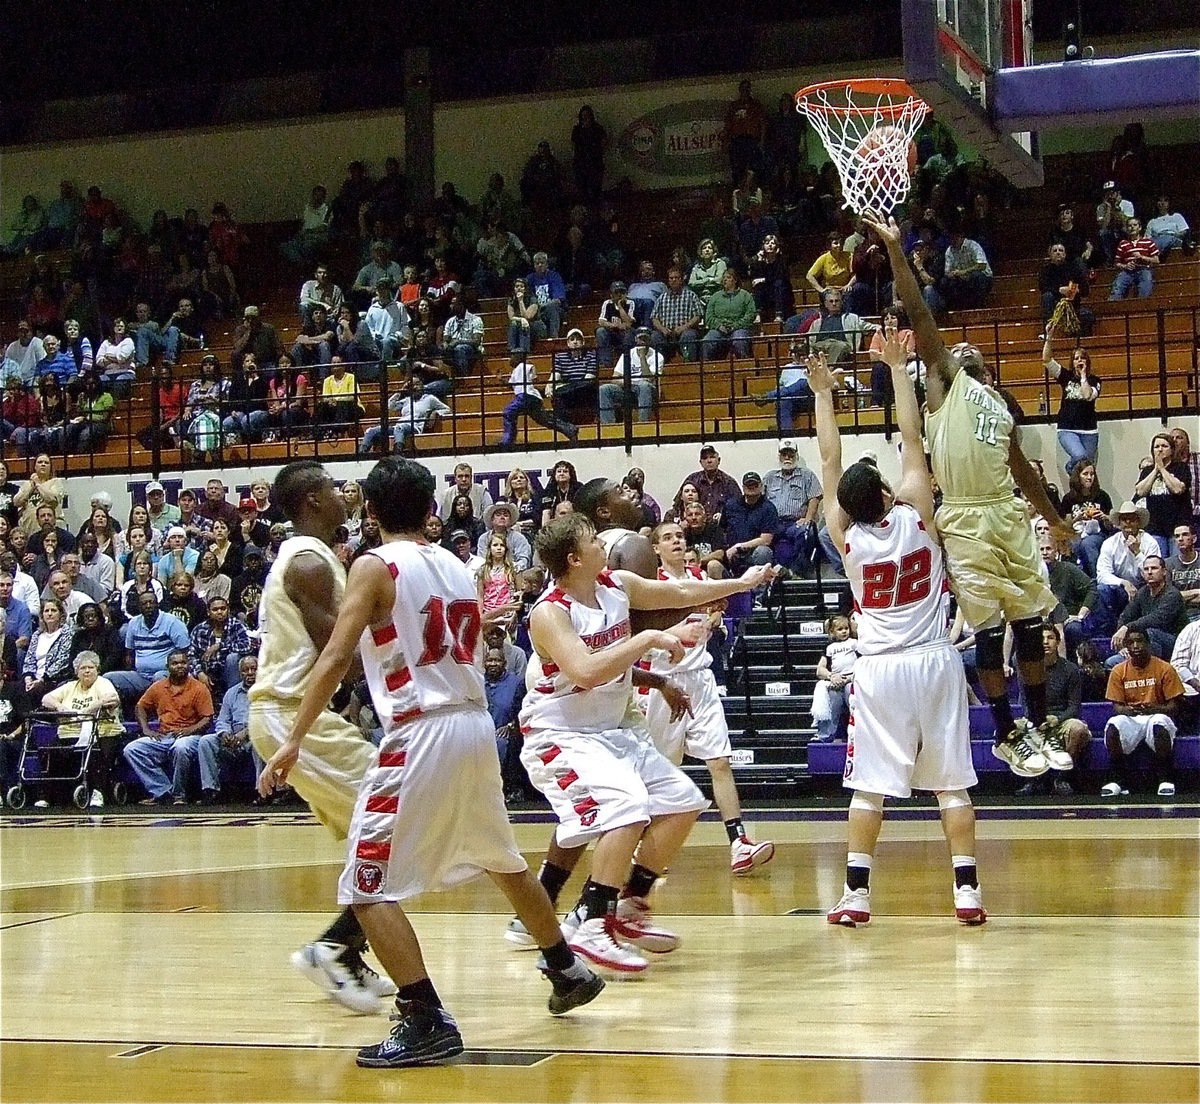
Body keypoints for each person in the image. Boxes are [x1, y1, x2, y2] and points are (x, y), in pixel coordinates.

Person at [260, 458, 606, 1067]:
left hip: (419, 728)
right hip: (473, 723)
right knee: (502, 859)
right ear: (430, 511)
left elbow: (336, 656)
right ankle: (565, 967)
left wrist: (294, 738)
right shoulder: (454, 565)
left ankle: (424, 1018)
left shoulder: (373, 565)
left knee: (364, 886)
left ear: (370, 511)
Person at [519, 510, 775, 969]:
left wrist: (741, 583)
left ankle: (629, 906)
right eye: (593, 540)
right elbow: (587, 671)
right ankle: (591, 923)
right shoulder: (550, 612)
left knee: (682, 800)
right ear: (574, 559)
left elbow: (682, 592)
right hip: (560, 735)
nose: (604, 545)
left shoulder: (616, 585)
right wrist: (651, 638)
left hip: (610, 731)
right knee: (626, 809)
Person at [868, 209, 1072, 779]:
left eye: (966, 350)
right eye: (952, 351)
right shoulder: (944, 386)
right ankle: (1006, 733)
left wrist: (1055, 519)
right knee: (988, 630)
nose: (959, 350)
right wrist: (897, 252)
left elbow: (1023, 471)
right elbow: (920, 312)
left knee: (1029, 624)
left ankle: (1040, 724)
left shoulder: (999, 407)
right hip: (965, 516)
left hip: (1009, 512)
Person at [808, 335, 988, 927]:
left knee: (869, 787)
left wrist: (823, 396)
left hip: (880, 668)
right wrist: (895, 367)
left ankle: (857, 895)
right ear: (886, 493)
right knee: (951, 785)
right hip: (934, 659)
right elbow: (912, 437)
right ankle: (967, 891)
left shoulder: (846, 539)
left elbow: (828, 462)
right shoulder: (916, 511)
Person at [649, 520, 774, 873]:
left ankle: (739, 843)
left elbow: (716, 606)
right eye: (668, 538)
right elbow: (642, 632)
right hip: (663, 682)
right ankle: (645, 845)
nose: (676, 541)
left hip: (701, 679)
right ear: (656, 548)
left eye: (679, 536)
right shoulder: (651, 585)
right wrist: (679, 631)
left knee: (719, 761)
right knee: (661, 769)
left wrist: (714, 617)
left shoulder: (698, 577)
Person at [123, 649, 214, 805]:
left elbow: (208, 718)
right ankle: (163, 791)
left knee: (180, 747)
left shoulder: (199, 688)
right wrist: (146, 729)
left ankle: (179, 795)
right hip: (164, 735)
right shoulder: (158, 686)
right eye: (175, 663)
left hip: (191, 737)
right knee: (131, 749)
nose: (179, 666)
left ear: (189, 665)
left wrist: (189, 730)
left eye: (183, 662)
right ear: (167, 667)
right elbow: (140, 707)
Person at [1102, 628, 1185, 799]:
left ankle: (1165, 779)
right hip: (1132, 717)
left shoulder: (1165, 668)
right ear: (1126, 647)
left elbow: (1174, 707)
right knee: (1113, 725)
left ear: (1148, 644)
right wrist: (1127, 710)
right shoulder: (1118, 671)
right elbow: (1117, 707)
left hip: (1157, 713)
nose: (1136, 646)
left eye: (1140, 641)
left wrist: (1152, 709)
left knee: (1159, 722)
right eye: (1131, 642)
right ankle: (1117, 780)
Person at [41, 649, 124, 809]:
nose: (87, 671)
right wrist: (60, 707)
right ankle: (48, 796)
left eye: (90, 668)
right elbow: (46, 699)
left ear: (97, 670)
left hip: (102, 732)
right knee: (50, 751)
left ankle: (98, 792)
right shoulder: (70, 686)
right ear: (76, 672)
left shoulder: (103, 683)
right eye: (83, 668)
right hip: (70, 732)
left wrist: (88, 710)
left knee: (97, 753)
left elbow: (112, 698)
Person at [193, 654, 263, 804]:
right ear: (240, 673)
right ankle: (211, 790)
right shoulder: (231, 693)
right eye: (245, 670)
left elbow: (267, 720)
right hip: (233, 737)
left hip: (256, 736)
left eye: (253, 669)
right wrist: (225, 733)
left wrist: (245, 733)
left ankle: (262, 792)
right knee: (206, 741)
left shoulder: (266, 692)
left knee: (261, 743)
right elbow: (223, 719)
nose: (250, 673)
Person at [1133, 433, 1192, 558]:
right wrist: (1156, 469)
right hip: (1155, 528)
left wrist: (1162, 469)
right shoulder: (1147, 471)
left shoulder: (1181, 468)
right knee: (1157, 563)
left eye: (1164, 446)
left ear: (1172, 450)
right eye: (1157, 447)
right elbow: (1140, 491)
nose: (1160, 449)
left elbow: (1177, 489)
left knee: (1176, 562)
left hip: (1177, 527)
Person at [810, 613, 858, 743]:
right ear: (832, 632)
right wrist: (831, 676)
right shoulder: (829, 648)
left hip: (852, 678)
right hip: (836, 681)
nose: (844, 631)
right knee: (832, 695)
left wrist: (848, 679)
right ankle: (825, 735)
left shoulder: (854, 643)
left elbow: (863, 664)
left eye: (846, 628)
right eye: (840, 629)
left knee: (850, 690)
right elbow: (820, 670)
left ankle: (859, 733)